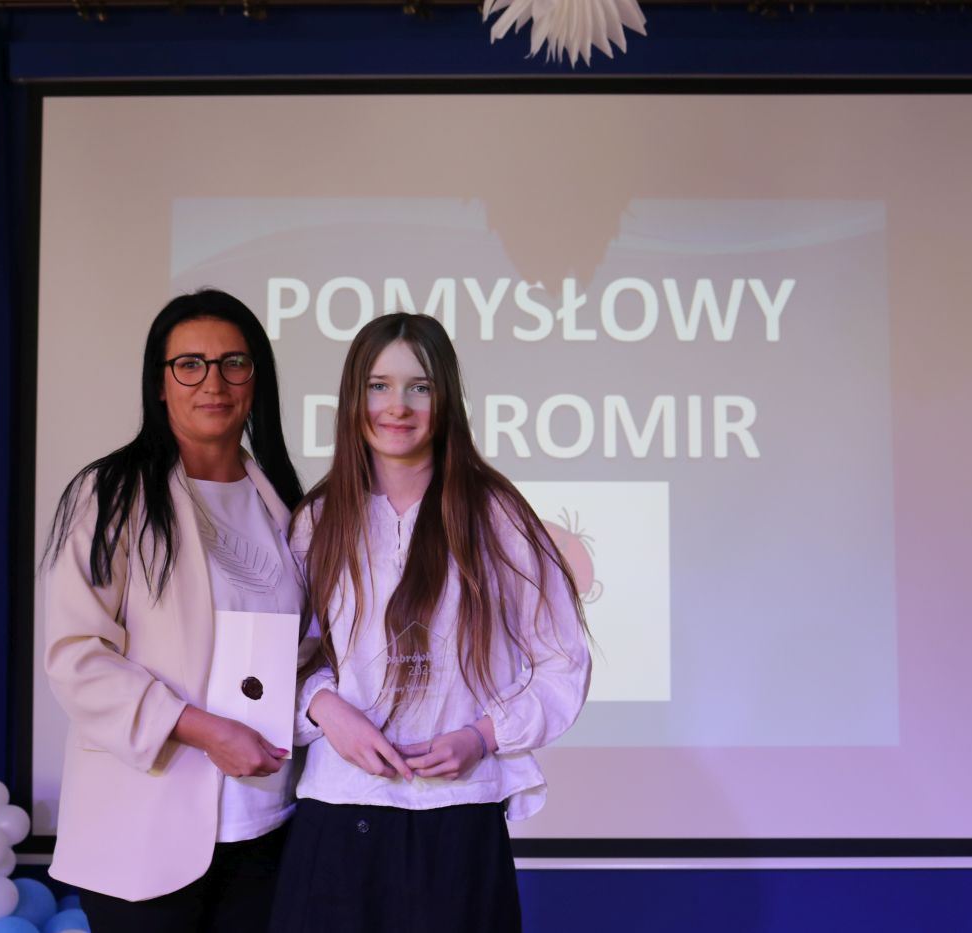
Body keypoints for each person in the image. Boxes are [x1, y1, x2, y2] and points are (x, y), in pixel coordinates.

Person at [272, 313, 591, 933]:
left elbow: (563, 661)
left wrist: (483, 736)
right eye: (379, 385)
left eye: (419, 386)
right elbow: (280, 660)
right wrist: (324, 708)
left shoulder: (496, 516)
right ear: (353, 398)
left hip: (458, 820)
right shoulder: (319, 520)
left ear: (446, 399)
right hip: (339, 816)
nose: (398, 405)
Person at [42, 289, 305, 933]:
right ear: (160, 385)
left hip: (265, 830)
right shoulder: (110, 494)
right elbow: (76, 658)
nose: (213, 382)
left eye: (233, 363)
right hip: (144, 832)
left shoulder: (286, 503)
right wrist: (202, 728)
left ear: (256, 380)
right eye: (190, 364)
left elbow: (308, 648)